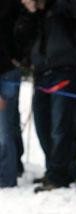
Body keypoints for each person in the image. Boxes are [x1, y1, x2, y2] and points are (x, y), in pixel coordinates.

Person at [16, 0, 76, 192]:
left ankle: (59, 175)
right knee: (42, 126)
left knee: (60, 127)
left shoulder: (62, 6)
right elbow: (21, 39)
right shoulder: (33, 14)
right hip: (41, 73)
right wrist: (31, 13)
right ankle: (53, 169)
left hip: (64, 70)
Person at [0, 0, 22, 188]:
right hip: (8, 71)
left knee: (5, 129)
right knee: (8, 126)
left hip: (6, 74)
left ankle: (7, 177)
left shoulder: (11, 7)